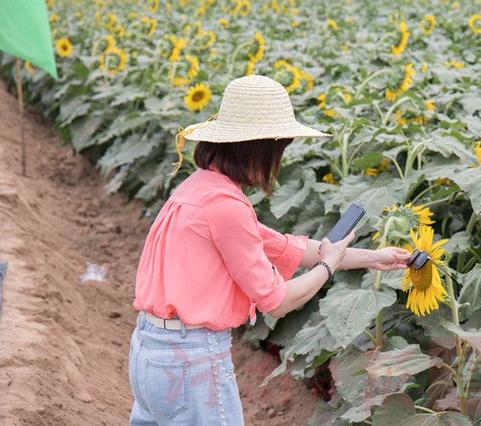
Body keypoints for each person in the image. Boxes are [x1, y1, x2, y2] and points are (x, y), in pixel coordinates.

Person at [127, 74, 411, 425]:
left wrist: (374, 258)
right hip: (190, 360)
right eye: (279, 149)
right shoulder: (225, 205)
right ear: (260, 148)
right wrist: (327, 270)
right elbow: (277, 300)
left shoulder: (200, 189)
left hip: (150, 353)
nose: (278, 162)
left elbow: (289, 249)